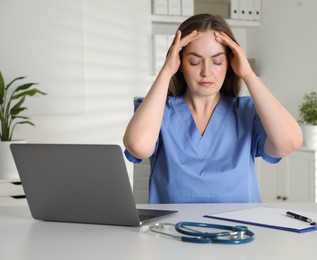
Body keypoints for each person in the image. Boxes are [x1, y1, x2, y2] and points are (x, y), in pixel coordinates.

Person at [123, 14, 302, 204]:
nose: (206, 72)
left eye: (217, 62)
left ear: (230, 63)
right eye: (194, 62)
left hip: (239, 229)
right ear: (180, 63)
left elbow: (289, 143)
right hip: (173, 230)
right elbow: (138, 146)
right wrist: (166, 71)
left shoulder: (246, 111)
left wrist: (248, 74)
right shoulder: (159, 111)